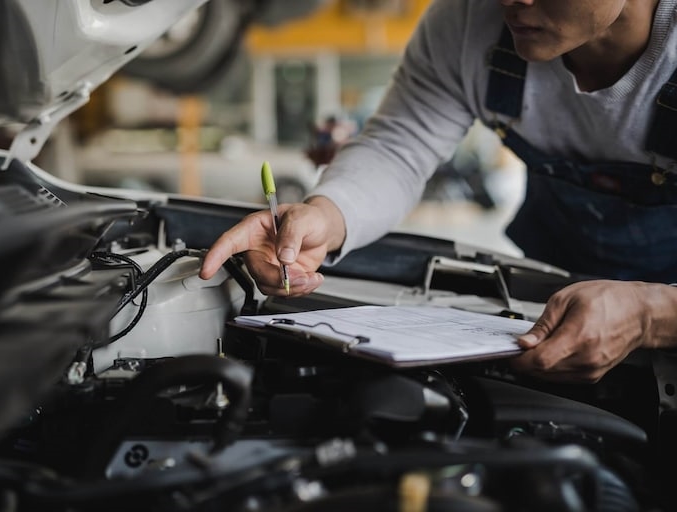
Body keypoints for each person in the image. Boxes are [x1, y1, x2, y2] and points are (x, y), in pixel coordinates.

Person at [200, 0, 677, 383]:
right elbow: (399, 146)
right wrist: (326, 216)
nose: (514, 2)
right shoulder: (471, 21)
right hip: (550, 295)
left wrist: (652, 314)